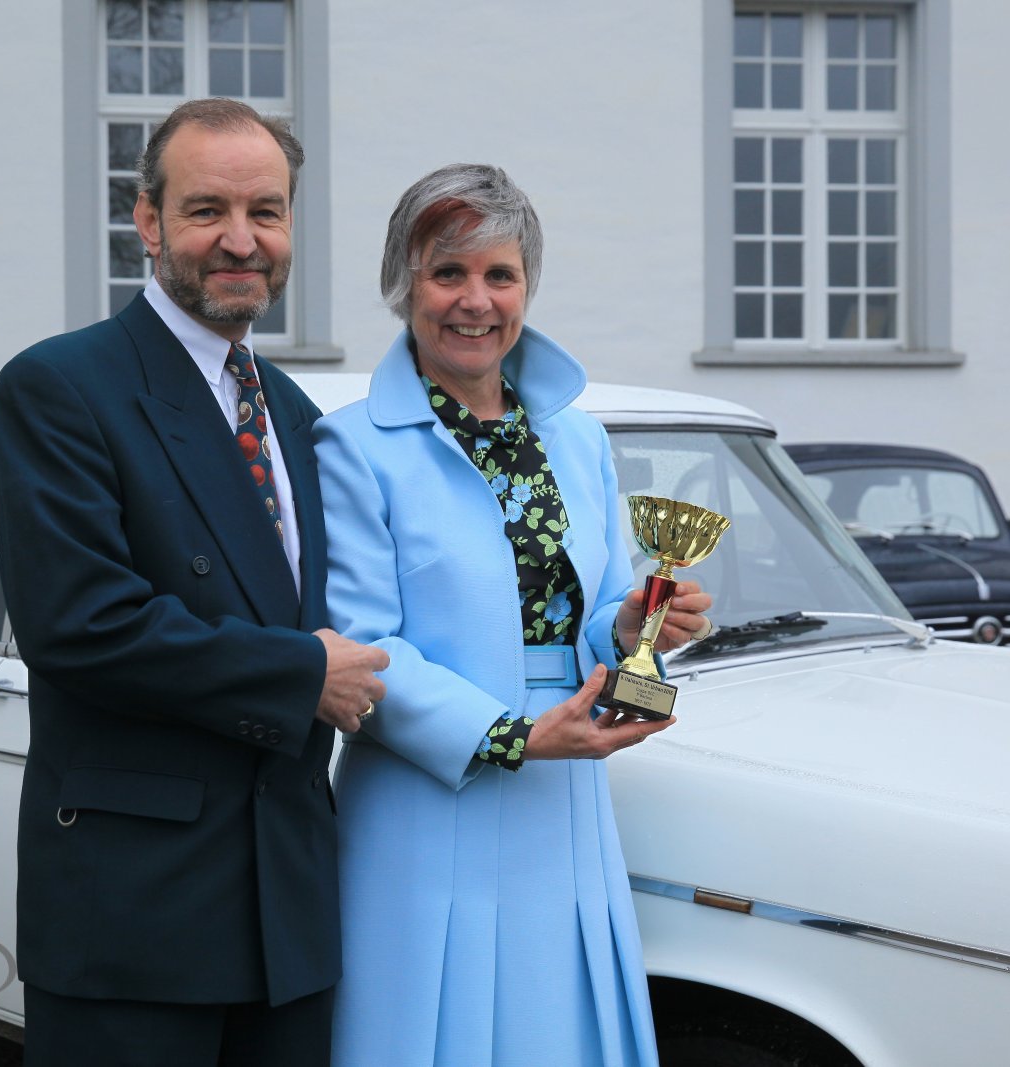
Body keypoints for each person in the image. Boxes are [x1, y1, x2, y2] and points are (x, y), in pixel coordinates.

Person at [0, 98, 387, 1066]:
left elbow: (366, 601)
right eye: (208, 209)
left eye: (266, 212)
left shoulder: (293, 410)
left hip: (287, 908)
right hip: (136, 914)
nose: (241, 240)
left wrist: (607, 632)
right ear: (148, 220)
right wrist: (301, 674)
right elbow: (80, 623)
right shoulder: (62, 385)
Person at [314, 163, 714, 1067]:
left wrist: (637, 624)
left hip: (565, 786)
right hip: (428, 794)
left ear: (527, 286)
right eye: (447, 272)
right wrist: (512, 736)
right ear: (403, 284)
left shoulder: (577, 435)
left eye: (501, 274)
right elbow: (365, 646)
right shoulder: (351, 447)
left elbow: (595, 610)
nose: (476, 300)